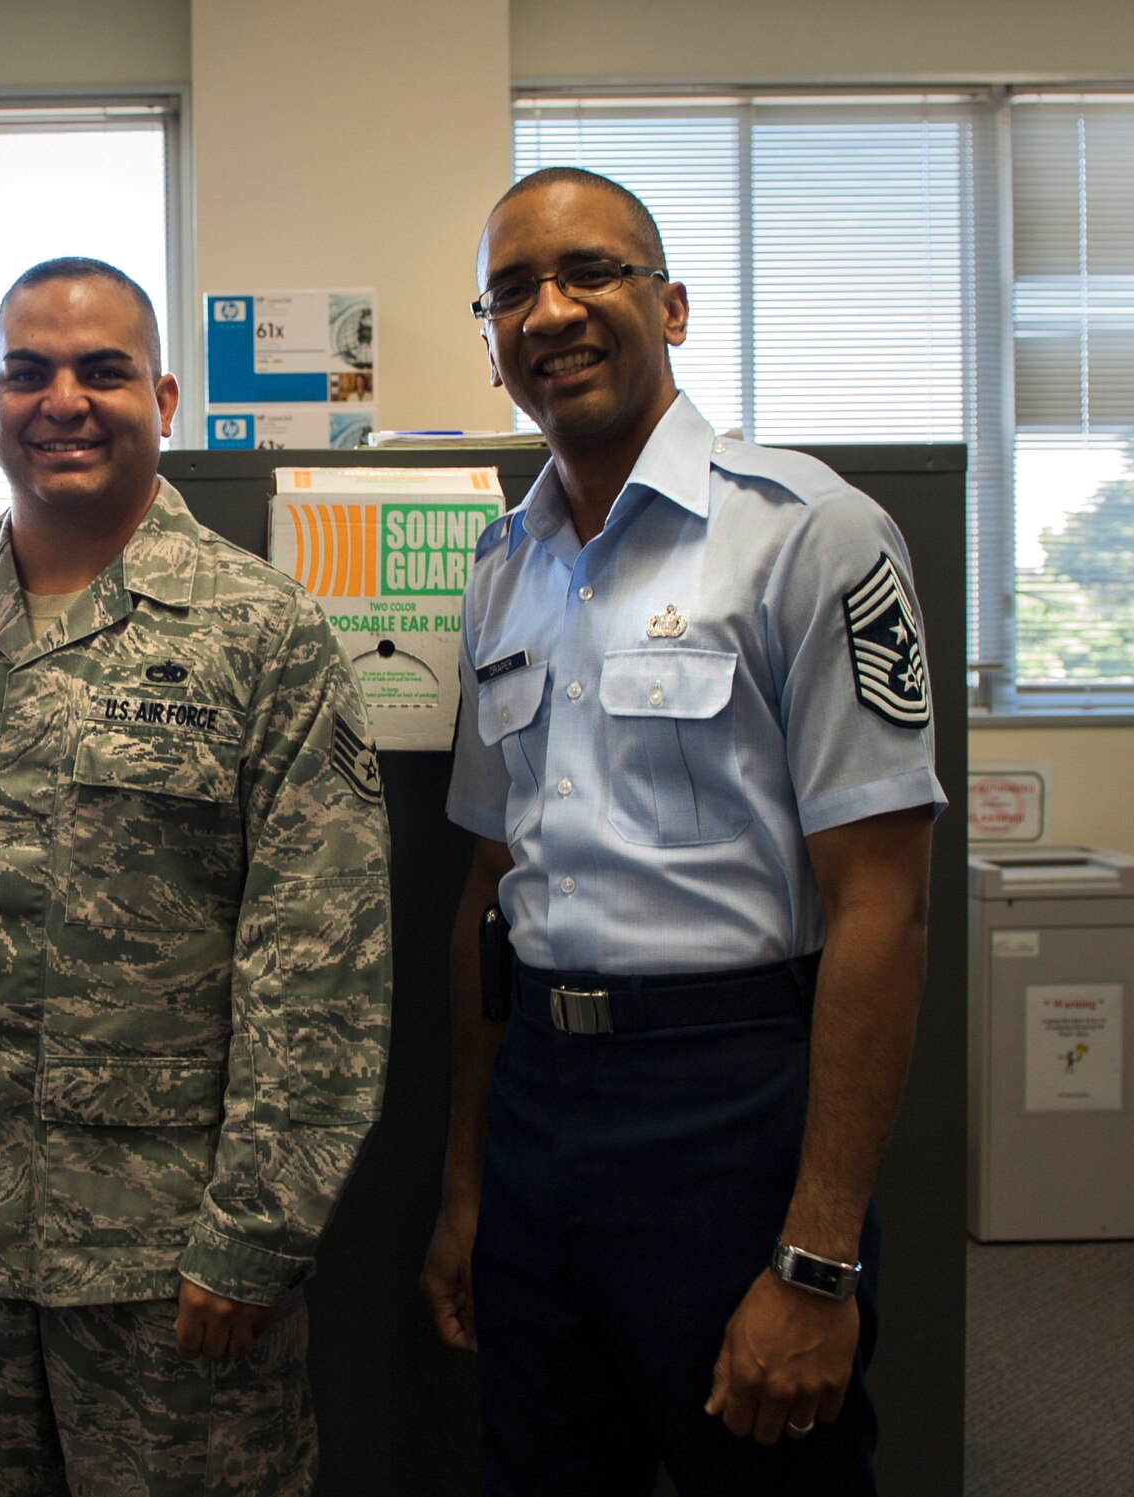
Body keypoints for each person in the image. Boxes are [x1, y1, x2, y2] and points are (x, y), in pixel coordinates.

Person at [0, 257, 391, 1494]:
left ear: (164, 400)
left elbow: (318, 972)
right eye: (29, 371)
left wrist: (253, 1234)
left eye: (102, 371)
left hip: (171, 1265)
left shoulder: (261, 634)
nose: (61, 399)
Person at [419, 167, 944, 1496]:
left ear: (674, 304)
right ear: (491, 345)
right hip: (541, 1100)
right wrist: (470, 1182)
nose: (552, 311)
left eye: (590, 272)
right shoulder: (504, 569)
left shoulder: (808, 536)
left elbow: (884, 904)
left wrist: (818, 1261)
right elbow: (490, 886)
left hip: (733, 1109)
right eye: (513, 291)